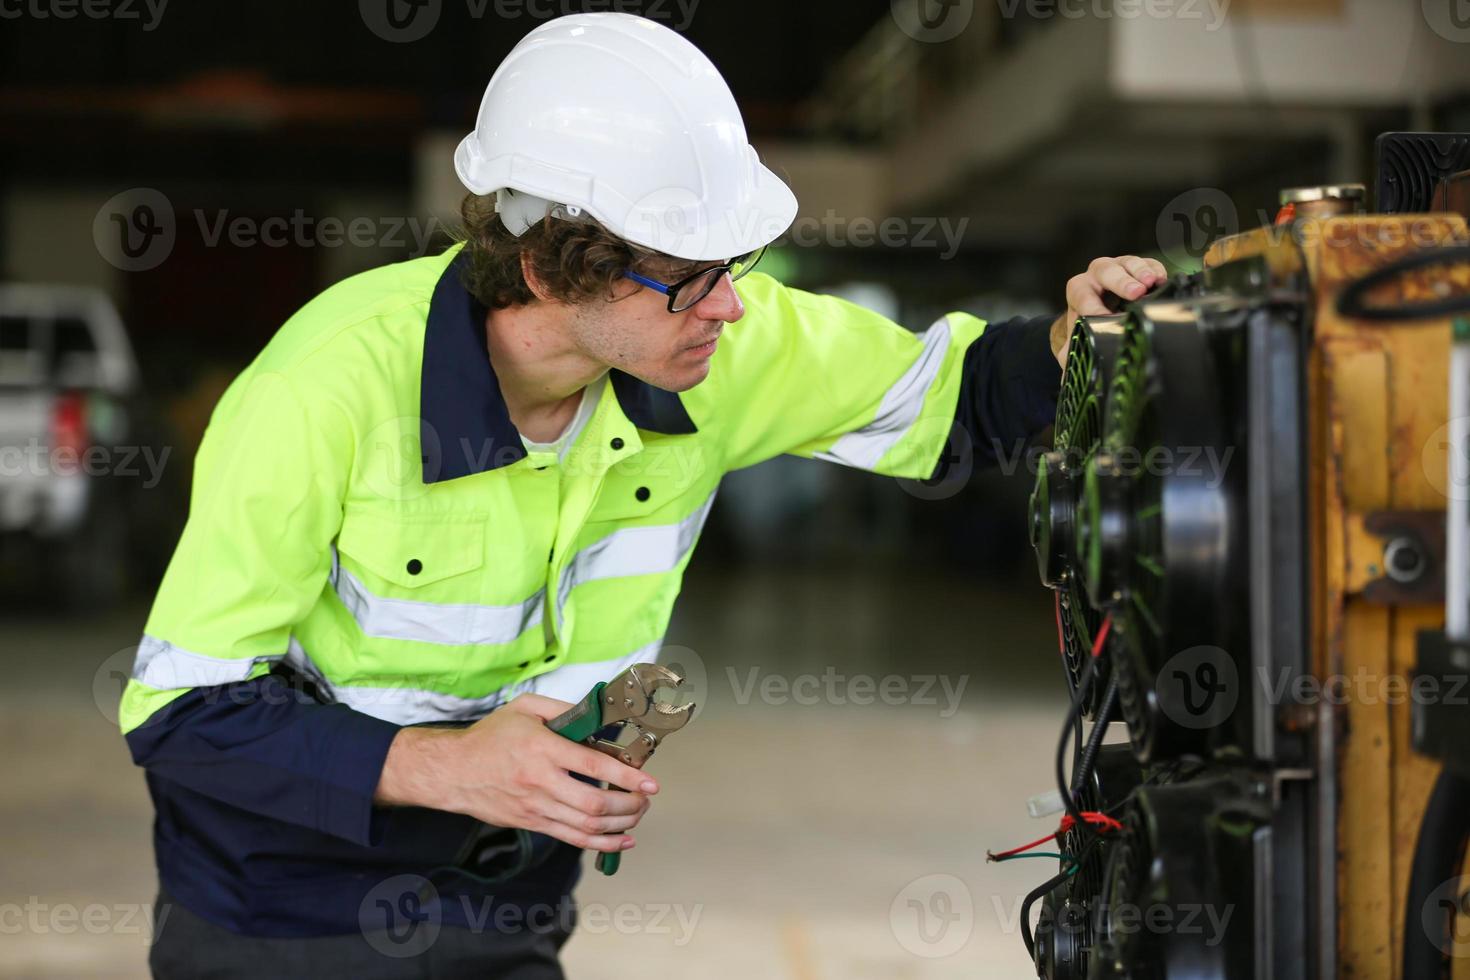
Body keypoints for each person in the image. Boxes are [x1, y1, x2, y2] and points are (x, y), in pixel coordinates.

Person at [121, 12, 1166, 978]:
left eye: (734, 263)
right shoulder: (325, 388)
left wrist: (1081, 339)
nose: (730, 305)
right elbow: (180, 711)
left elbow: (963, 396)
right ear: (547, 268)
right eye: (687, 273)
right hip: (280, 909)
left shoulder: (711, 349)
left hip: (508, 899)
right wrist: (456, 765)